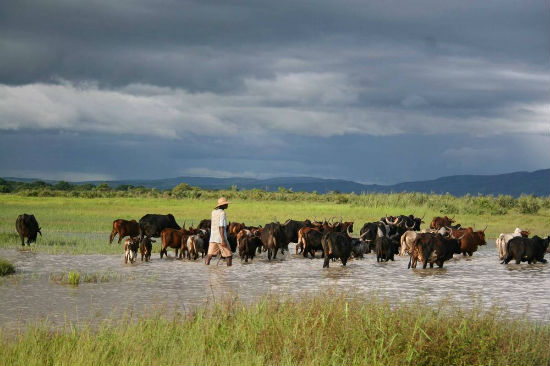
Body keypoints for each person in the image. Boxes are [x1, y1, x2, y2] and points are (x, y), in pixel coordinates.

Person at [205, 197, 233, 266]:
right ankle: (229, 270)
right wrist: (223, 240)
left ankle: (206, 268)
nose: (227, 205)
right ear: (222, 205)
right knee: (229, 256)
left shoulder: (213, 212)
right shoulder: (222, 213)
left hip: (213, 237)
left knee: (209, 255)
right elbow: (221, 227)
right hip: (220, 238)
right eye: (226, 204)